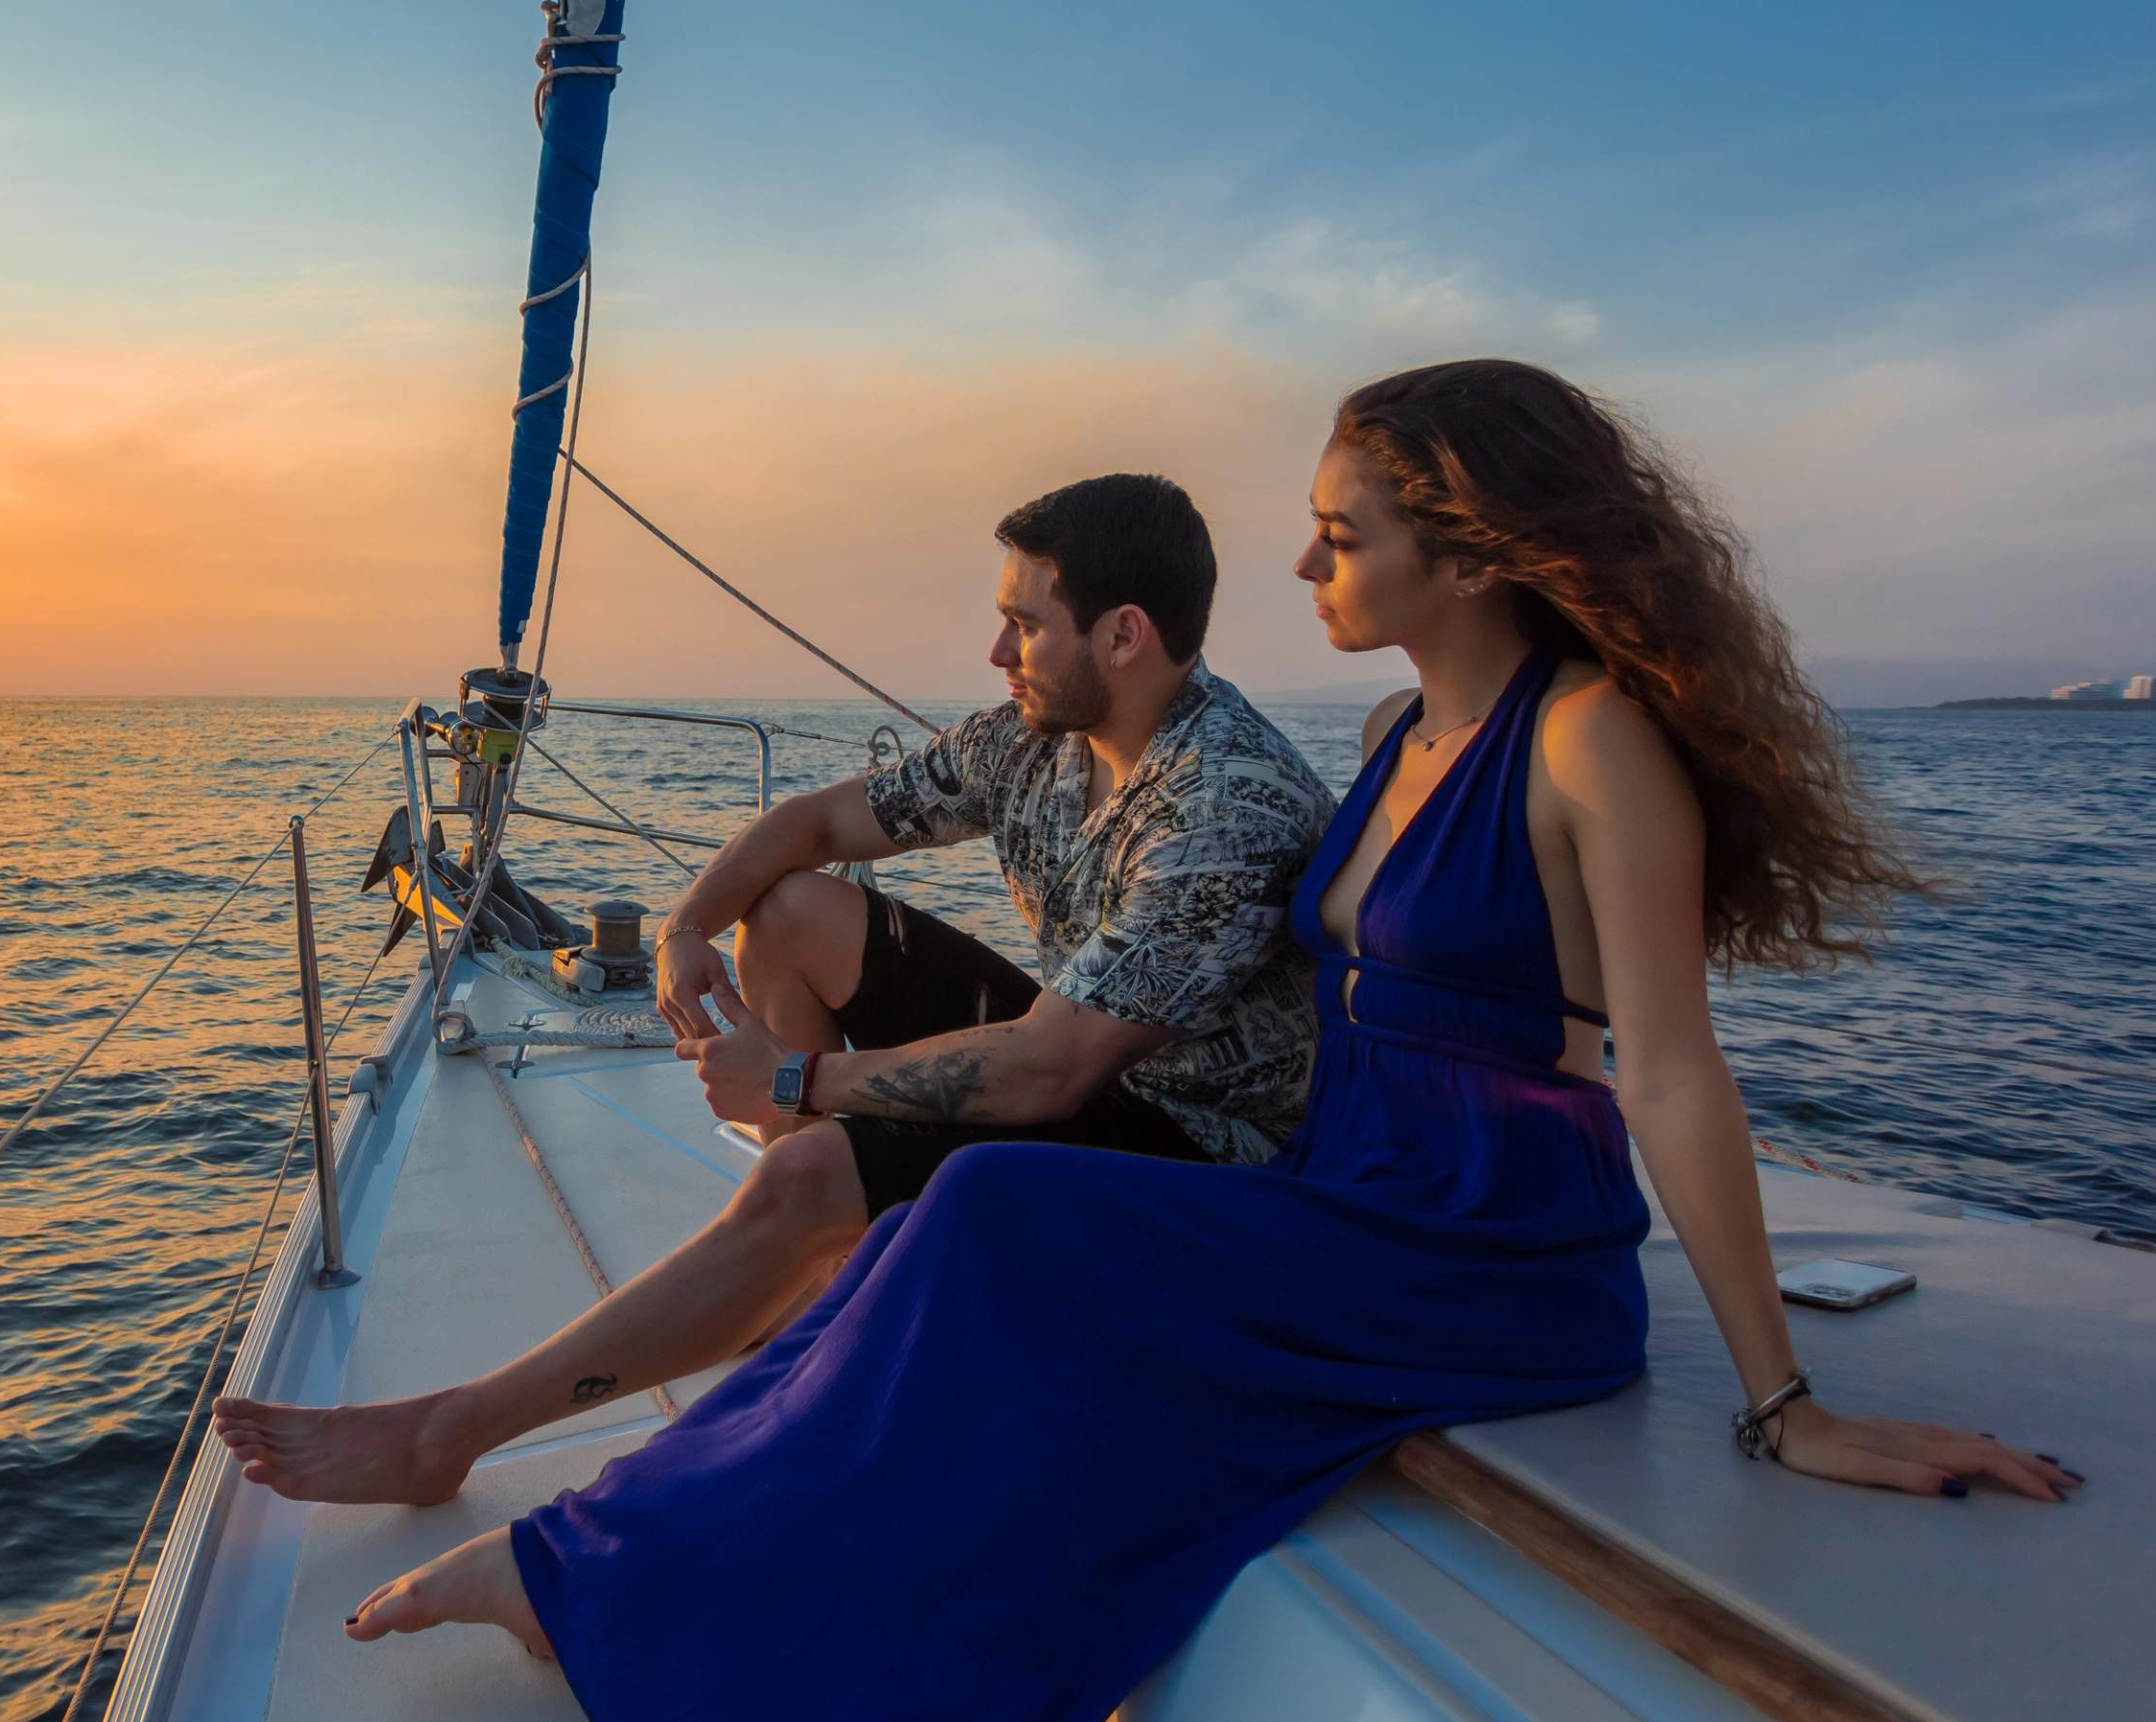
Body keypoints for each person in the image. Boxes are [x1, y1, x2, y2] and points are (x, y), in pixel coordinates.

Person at [323, 359, 2080, 1722]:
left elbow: (1675, 1074)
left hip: (1487, 1242)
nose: (1307, 565)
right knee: (969, 1232)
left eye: (1342, 534)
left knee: (995, 1209)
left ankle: (599, 1573)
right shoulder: (1404, 736)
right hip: (1352, 1189)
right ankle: (619, 1552)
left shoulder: (1587, 738)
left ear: (1465, 552)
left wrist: (1784, 1406)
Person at [215, 470, 1333, 1506]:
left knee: (810, 1163)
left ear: (1125, 635)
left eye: (1027, 623)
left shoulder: (1220, 802)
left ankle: (447, 1434)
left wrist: (801, 1078)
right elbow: (815, 824)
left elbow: (1050, 1073)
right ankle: (811, 1254)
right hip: (1090, 1067)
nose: (998, 646)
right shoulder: (1037, 740)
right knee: (793, 908)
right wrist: (687, 926)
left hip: (1205, 1160)